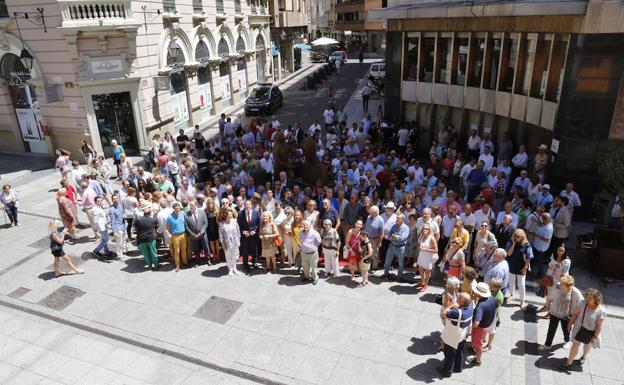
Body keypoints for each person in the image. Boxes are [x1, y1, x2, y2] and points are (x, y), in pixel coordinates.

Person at [561, 288, 606, 370]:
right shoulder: (582, 303)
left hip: (590, 332)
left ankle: (583, 357)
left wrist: (595, 336)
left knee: (587, 345)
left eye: (590, 298)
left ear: (596, 299)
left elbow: (599, 326)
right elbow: (575, 314)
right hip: (579, 328)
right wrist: (570, 323)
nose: (587, 299)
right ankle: (569, 363)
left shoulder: (601, 311)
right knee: (575, 345)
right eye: (587, 297)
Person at [538, 274, 583, 352]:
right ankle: (547, 345)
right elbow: (550, 296)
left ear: (568, 286)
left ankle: (566, 341)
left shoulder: (575, 292)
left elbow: (581, 303)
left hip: (566, 315)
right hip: (554, 312)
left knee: (566, 329)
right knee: (551, 329)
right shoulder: (557, 287)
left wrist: (575, 316)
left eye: (562, 284)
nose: (560, 284)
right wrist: (548, 306)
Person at [437, 293, 473, 378]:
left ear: (461, 301)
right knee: (459, 351)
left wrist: (452, 305)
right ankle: (458, 367)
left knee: (449, 353)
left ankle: (446, 371)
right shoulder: (470, 308)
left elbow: (443, 314)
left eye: (458, 297)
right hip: (463, 335)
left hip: (453, 336)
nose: (457, 298)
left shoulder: (456, 312)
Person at [468, 282, 498, 366]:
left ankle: (477, 360)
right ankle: (474, 346)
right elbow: (496, 306)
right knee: (479, 341)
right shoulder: (492, 298)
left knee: (479, 345)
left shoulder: (480, 306)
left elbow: (477, 322)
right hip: (488, 324)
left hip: (480, 328)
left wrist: (472, 327)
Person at [538, 244, 572, 316]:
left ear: (565, 251)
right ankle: (546, 307)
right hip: (550, 279)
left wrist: (555, 270)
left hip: (558, 282)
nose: (560, 252)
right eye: (559, 250)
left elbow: (564, 274)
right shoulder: (553, 256)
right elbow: (549, 266)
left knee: (554, 297)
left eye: (562, 251)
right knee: (548, 295)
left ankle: (550, 312)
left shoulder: (566, 261)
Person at [506, 229, 533, 309]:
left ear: (522, 237)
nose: (516, 238)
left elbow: (529, 257)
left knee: (521, 284)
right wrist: (513, 244)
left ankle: (522, 300)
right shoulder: (510, 242)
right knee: (511, 282)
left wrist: (525, 267)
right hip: (512, 265)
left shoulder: (526, 244)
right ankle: (512, 294)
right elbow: (508, 253)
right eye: (515, 236)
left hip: (521, 267)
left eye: (518, 236)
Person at [383, 213, 410, 280]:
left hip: (401, 248)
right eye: (396, 218)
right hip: (392, 246)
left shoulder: (406, 228)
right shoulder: (394, 226)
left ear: (402, 219)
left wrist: (396, 237)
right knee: (387, 262)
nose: (397, 219)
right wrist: (393, 237)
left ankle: (399, 277)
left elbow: (403, 238)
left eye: (398, 218)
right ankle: (386, 274)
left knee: (400, 263)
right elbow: (389, 235)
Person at [134, 204, 159, 270]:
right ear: (150, 212)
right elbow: (156, 228)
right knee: (153, 253)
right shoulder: (153, 220)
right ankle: (156, 266)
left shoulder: (138, 220)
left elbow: (136, 227)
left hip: (141, 239)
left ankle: (149, 265)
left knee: (146, 254)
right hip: (151, 238)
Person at [238, 200, 261, 271]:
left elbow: (259, 223)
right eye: (246, 204)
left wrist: (255, 231)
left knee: (255, 250)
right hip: (245, 236)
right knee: (245, 250)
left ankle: (254, 262)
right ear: (244, 205)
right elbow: (238, 225)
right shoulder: (240, 213)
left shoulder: (256, 212)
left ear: (251, 205)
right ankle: (245, 264)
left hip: (254, 235)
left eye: (249, 204)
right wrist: (243, 232)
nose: (247, 206)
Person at [186, 200, 210, 267]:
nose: (191, 207)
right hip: (193, 235)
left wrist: (201, 232)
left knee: (206, 247)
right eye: (190, 205)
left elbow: (206, 223)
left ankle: (208, 260)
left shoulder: (202, 212)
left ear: (196, 205)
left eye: (192, 205)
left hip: (202, 234)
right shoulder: (187, 214)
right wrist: (192, 234)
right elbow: (186, 226)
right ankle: (197, 261)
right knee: (195, 249)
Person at [416, 224, 438, 292]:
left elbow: (436, 250)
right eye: (424, 228)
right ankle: (422, 281)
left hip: (428, 257)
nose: (425, 230)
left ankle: (425, 285)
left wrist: (424, 249)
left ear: (429, 230)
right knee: (420, 268)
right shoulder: (422, 236)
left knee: (428, 271)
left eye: (427, 229)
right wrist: (419, 246)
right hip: (421, 255)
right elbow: (419, 244)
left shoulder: (431, 237)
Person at [484, 278, 505, 352]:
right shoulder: (490, 290)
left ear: (496, 287)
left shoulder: (499, 296)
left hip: (493, 315)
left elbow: (496, 308)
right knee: (485, 327)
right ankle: (483, 339)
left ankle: (489, 344)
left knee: (492, 330)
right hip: (487, 313)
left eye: (491, 284)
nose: (489, 285)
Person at [167, 202, 188, 272]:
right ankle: (177, 265)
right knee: (177, 251)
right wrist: (172, 234)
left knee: (184, 250)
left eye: (179, 208)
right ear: (173, 209)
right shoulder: (170, 217)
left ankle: (185, 262)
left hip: (183, 235)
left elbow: (186, 222)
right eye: (176, 209)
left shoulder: (183, 213)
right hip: (175, 236)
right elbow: (167, 227)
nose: (178, 210)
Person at [300, 220, 322, 285]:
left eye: (306, 225)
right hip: (304, 252)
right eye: (303, 225)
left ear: (310, 226)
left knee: (313, 267)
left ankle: (315, 278)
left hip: (312, 253)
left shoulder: (314, 233)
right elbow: (301, 239)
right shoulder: (301, 232)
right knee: (304, 266)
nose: (305, 226)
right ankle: (306, 276)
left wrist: (314, 246)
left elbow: (320, 241)